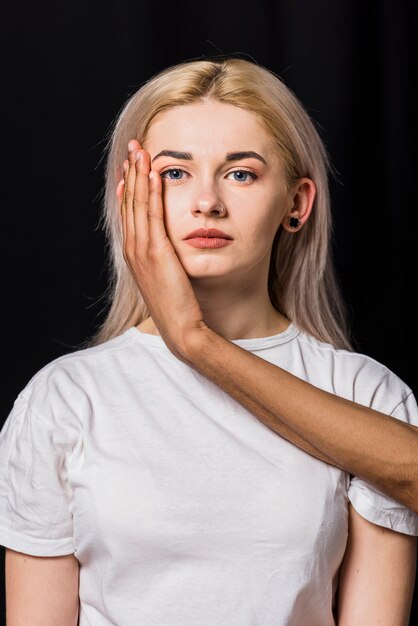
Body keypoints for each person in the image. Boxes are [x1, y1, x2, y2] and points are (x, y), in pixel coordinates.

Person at [1, 55, 417, 625]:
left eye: (241, 173)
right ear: (130, 199)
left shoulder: (366, 393)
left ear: (296, 204)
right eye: (174, 173)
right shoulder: (66, 398)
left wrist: (195, 341)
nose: (207, 202)